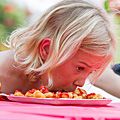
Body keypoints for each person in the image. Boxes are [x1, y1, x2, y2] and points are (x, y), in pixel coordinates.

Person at [0, 0, 116, 94]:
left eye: (91, 72)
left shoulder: (80, 64)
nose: (81, 83)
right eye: (80, 68)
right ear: (47, 50)